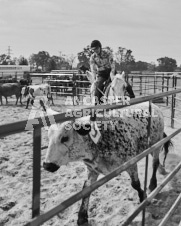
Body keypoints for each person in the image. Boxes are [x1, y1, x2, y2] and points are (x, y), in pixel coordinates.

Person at [90, 40, 115, 106]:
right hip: (101, 74)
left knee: (122, 82)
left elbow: (112, 63)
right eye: (93, 49)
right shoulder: (93, 57)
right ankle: (95, 108)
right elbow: (93, 69)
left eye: (97, 48)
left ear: (100, 47)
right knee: (98, 88)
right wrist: (94, 79)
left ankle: (132, 97)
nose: (95, 50)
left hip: (111, 71)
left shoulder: (107, 52)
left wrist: (112, 73)